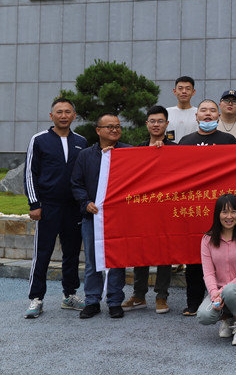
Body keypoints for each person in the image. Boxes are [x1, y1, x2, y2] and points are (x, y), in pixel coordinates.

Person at [24, 97, 87, 318]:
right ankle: (36, 298)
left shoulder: (81, 141)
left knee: (72, 253)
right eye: (59, 112)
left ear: (74, 116)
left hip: (73, 208)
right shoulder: (39, 140)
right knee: (42, 253)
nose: (63, 116)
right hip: (48, 206)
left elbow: (85, 174)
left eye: (68, 112)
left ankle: (70, 295)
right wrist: (34, 204)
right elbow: (30, 173)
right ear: (51, 116)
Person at [179, 100, 236, 317]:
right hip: (194, 206)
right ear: (196, 116)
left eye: (213, 110)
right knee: (194, 254)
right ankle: (193, 301)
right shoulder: (185, 142)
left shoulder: (228, 140)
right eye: (203, 110)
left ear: (218, 116)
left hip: (221, 206)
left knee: (225, 253)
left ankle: (229, 299)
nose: (208, 114)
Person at [71, 114, 132, 319]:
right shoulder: (86, 155)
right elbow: (76, 183)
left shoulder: (129, 153)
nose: (114, 130)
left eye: (118, 126)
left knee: (117, 260)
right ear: (98, 130)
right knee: (92, 260)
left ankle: (115, 301)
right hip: (93, 217)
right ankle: (92, 301)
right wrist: (85, 202)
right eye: (109, 126)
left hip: (119, 217)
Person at [122, 105, 176, 314]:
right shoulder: (138, 149)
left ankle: (161, 296)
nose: (156, 125)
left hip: (166, 209)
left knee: (164, 253)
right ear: (146, 124)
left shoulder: (176, 149)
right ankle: (139, 295)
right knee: (141, 251)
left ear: (167, 124)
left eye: (160, 121)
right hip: (143, 209)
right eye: (152, 121)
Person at [197, 194, 236, 346]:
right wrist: (214, 294)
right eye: (224, 212)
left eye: (233, 211)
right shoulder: (207, 239)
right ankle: (227, 320)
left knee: (230, 291)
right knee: (204, 316)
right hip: (218, 291)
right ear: (218, 214)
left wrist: (223, 291)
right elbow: (208, 273)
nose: (229, 216)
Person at [166, 75, 197, 142]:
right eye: (180, 88)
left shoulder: (199, 113)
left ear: (193, 92)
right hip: (171, 148)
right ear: (174, 91)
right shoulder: (167, 112)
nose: (184, 91)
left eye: (188, 88)